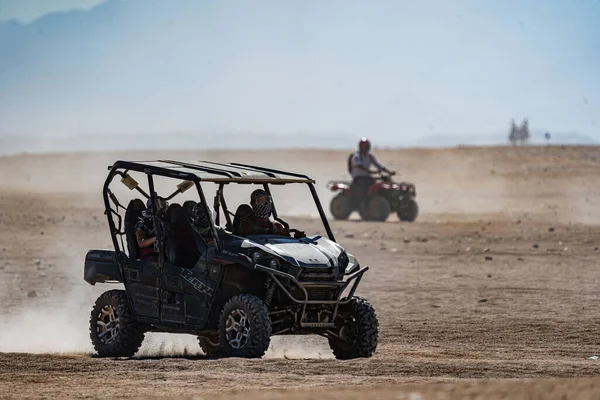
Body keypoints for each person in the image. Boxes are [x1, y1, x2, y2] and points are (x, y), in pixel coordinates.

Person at [238, 189, 304, 238]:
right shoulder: (247, 225)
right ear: (253, 203)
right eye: (262, 201)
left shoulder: (276, 226)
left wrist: (296, 239)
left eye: (267, 200)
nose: (266, 204)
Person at [348, 138, 394, 207]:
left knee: (383, 182)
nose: (367, 148)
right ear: (362, 147)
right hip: (359, 178)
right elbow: (359, 166)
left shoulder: (369, 156)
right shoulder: (356, 156)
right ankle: (365, 202)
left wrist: (388, 172)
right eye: (366, 147)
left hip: (367, 177)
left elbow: (379, 165)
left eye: (368, 147)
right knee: (366, 186)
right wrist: (370, 171)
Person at [135, 197, 168, 261]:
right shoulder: (142, 223)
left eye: (163, 205)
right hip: (152, 255)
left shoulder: (167, 220)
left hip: (169, 251)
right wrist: (157, 237)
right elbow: (141, 243)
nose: (163, 209)